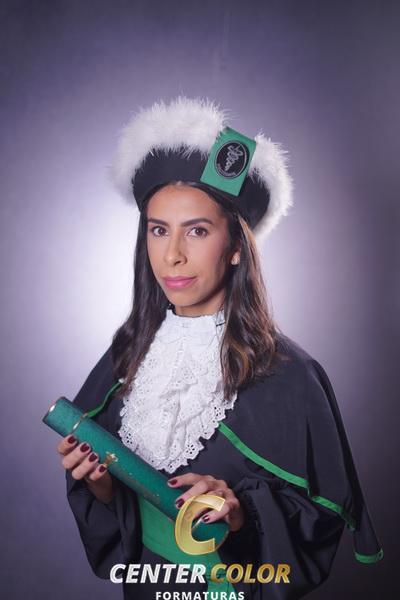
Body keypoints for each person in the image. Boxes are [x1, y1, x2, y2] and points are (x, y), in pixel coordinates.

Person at [56, 96, 383, 600]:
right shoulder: (128, 352)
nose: (172, 255)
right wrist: (101, 486)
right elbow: (122, 526)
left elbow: (317, 523)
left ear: (234, 247)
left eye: (198, 231)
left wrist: (240, 514)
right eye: (159, 230)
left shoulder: (291, 373)